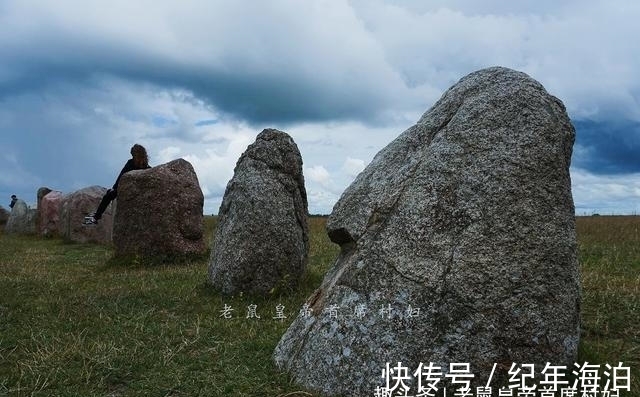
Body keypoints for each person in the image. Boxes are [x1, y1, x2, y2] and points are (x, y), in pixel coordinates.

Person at [85, 144, 150, 224]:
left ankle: (95, 218)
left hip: (128, 188)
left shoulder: (132, 163)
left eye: (133, 154)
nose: (132, 156)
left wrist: (114, 188)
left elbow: (121, 175)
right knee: (108, 194)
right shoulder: (146, 166)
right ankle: (96, 217)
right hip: (131, 188)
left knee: (107, 196)